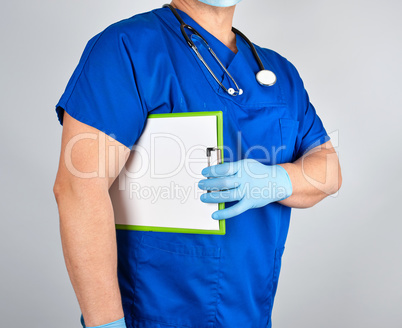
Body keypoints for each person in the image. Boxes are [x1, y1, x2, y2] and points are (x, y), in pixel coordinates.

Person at [53, 0, 342, 327]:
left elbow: (329, 169)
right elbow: (79, 190)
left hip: (249, 313)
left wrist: (279, 179)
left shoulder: (280, 73)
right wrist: (106, 324)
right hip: (151, 316)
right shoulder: (127, 49)